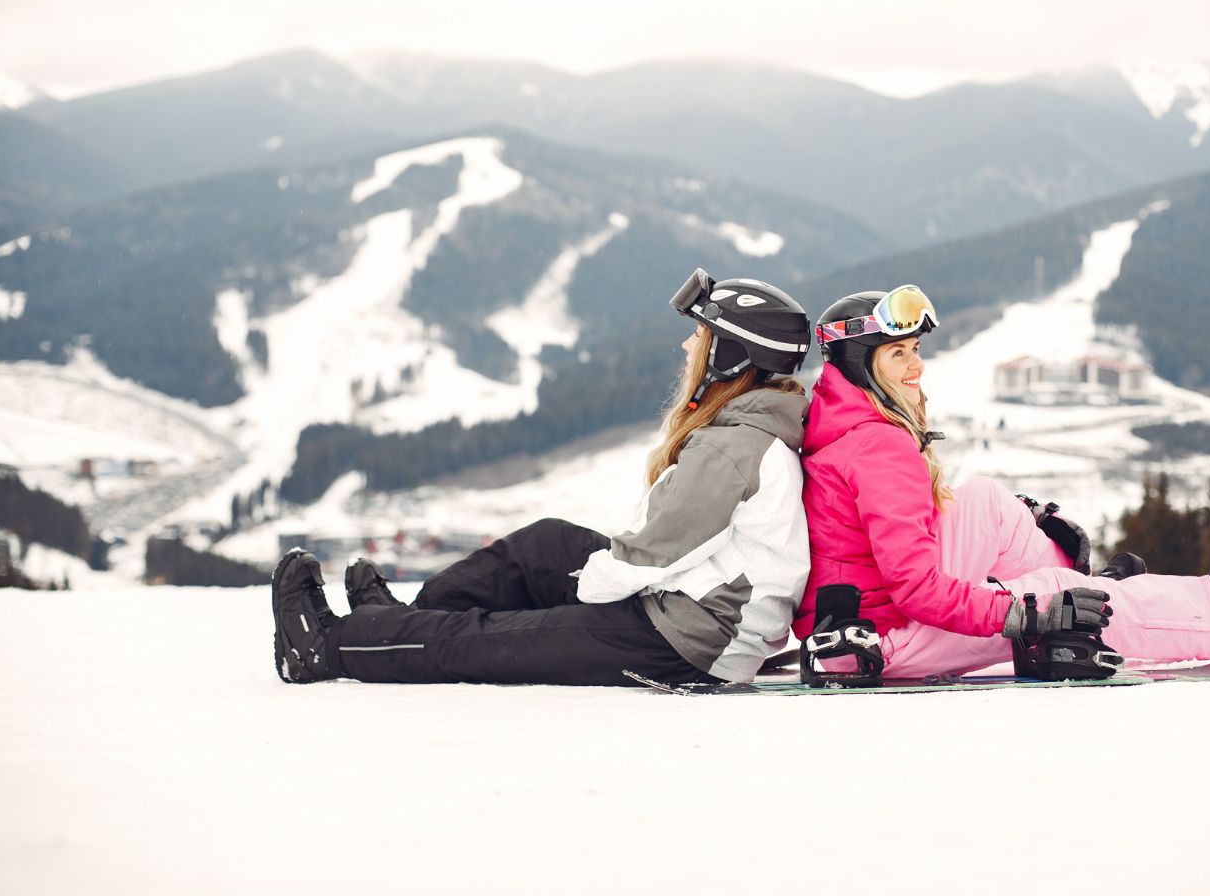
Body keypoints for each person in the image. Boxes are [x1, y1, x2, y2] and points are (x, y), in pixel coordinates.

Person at [271, 268, 813, 687]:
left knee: (494, 640)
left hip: (692, 641)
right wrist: (587, 574)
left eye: (700, 334)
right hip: (685, 608)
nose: (687, 346)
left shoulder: (733, 446)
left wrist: (586, 588)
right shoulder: (746, 429)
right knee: (545, 546)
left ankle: (327, 647)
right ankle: (398, 623)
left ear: (731, 356)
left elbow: (652, 554)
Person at [795, 285, 1210, 679]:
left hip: (855, 625)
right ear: (860, 363)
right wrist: (1025, 614)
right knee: (1054, 593)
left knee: (983, 500)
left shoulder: (842, 420)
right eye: (898, 353)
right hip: (879, 643)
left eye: (915, 350)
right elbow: (916, 591)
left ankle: (1094, 592)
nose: (916, 366)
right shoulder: (878, 445)